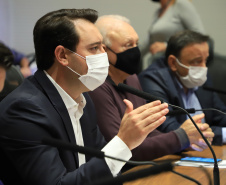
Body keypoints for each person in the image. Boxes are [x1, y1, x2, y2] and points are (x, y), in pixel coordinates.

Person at [0, 9, 170, 185]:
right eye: (94, 48)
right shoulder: (24, 110)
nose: (104, 55)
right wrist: (124, 142)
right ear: (62, 56)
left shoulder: (83, 99)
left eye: (103, 47)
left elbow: (97, 167)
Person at [88, 15, 214, 163]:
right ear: (104, 51)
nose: (136, 51)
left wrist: (186, 139)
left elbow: (149, 133)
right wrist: (181, 137)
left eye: (137, 44)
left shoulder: (132, 78)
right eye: (128, 45)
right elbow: (122, 149)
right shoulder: (96, 87)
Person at [139, 30, 226, 146]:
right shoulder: (152, 80)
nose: (203, 68)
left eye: (206, 60)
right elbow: (174, 131)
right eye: (197, 61)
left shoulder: (200, 77)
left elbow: (221, 115)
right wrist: (223, 134)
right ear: (173, 63)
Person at [140, 0, 205, 70]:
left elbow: (199, 35)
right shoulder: (158, 12)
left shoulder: (181, 4)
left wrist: (166, 46)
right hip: (159, 63)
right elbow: (148, 42)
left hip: (176, 64)